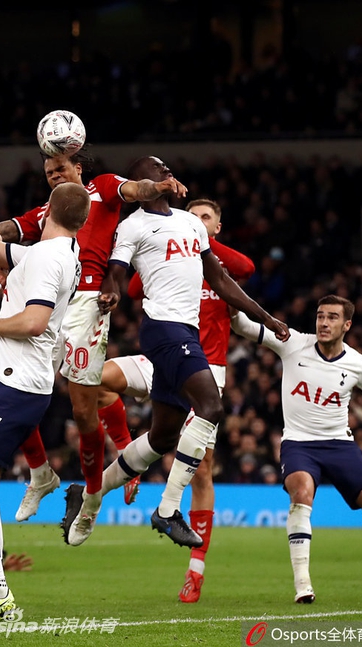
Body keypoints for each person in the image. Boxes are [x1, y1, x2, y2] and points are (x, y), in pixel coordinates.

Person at [62, 156, 289, 548]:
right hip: (164, 330)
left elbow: (220, 278)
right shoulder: (132, 225)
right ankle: (167, 509)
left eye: (167, 169)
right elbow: (118, 271)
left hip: (183, 332)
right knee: (212, 407)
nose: (167, 173)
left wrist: (266, 318)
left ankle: (86, 495)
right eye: (158, 170)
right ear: (141, 182)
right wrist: (113, 291)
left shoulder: (188, 223)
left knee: (162, 437)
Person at [0, 149, 189, 523]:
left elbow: (135, 189)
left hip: (87, 306)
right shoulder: (47, 214)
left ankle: (93, 499)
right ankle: (39, 475)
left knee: (84, 411)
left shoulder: (102, 188)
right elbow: (1, 232)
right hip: (49, 303)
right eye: (49, 171)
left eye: (61, 168)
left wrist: (157, 186)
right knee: (15, 394)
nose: (54, 175)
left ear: (78, 169)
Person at [94, 198, 256, 602]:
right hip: (161, 357)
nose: (195, 222)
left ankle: (195, 570)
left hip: (204, 371)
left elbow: (248, 268)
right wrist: (168, 247)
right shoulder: (167, 261)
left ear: (216, 227)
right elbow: (132, 286)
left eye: (205, 218)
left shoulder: (221, 274)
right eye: (192, 216)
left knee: (202, 472)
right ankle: (126, 455)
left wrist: (199, 241)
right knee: (97, 381)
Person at [0, 182, 89, 623]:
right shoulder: (58, 253)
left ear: (47, 213)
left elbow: (35, 320)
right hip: (14, 381)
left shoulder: (47, 257)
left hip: (16, 382)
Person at [230, 295, 362, 604]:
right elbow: (242, 326)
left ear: (347, 324)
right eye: (320, 316)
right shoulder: (292, 342)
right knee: (301, 494)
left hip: (340, 445)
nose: (324, 322)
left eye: (332, 317)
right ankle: (303, 584)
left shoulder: (358, 363)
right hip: (299, 443)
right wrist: (230, 298)